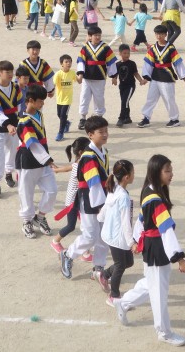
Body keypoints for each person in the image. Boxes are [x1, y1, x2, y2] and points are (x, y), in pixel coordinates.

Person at [116, 154, 185, 347]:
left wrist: (136, 239)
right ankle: (163, 332)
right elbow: (166, 230)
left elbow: (142, 217)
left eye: (171, 170)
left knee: (152, 283)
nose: (171, 174)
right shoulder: (156, 198)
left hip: (153, 246)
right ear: (156, 172)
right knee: (159, 292)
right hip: (157, 248)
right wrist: (180, 259)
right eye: (167, 171)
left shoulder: (150, 190)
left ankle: (123, 303)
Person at [16, 84, 70, 239]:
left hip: (43, 162)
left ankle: (40, 217)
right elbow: (32, 143)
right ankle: (27, 221)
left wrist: (46, 160)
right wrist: (48, 160)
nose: (43, 104)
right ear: (31, 100)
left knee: (52, 190)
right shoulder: (23, 121)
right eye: (40, 101)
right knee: (26, 193)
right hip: (27, 162)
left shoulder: (39, 114)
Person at [60, 115, 111, 281]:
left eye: (106, 131)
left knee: (104, 234)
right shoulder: (88, 156)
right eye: (100, 132)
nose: (104, 134)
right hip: (91, 200)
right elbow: (94, 184)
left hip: (103, 199)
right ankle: (67, 254)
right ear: (90, 134)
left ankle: (99, 267)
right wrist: (102, 205)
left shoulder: (104, 152)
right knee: (90, 236)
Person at [98, 159, 136, 306]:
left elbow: (106, 207)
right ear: (126, 177)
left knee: (129, 262)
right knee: (120, 265)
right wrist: (131, 242)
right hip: (118, 237)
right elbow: (126, 222)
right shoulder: (124, 197)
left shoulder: (114, 189)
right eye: (133, 173)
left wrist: (99, 217)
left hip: (111, 234)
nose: (134, 175)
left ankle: (105, 274)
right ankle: (114, 295)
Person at [138, 25, 185, 129]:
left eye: (161, 34)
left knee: (169, 98)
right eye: (157, 34)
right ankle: (146, 118)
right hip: (155, 76)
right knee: (150, 98)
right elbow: (148, 63)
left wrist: (183, 76)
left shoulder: (170, 48)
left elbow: (177, 62)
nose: (159, 36)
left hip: (167, 76)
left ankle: (174, 119)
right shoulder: (152, 48)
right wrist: (146, 77)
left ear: (165, 35)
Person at [51, 137, 91, 254]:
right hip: (74, 202)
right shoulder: (80, 166)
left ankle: (86, 251)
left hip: (78, 200)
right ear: (81, 152)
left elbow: (69, 167)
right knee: (71, 226)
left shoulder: (77, 163)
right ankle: (55, 241)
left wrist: (57, 170)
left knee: (87, 226)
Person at [0, 60, 21, 198]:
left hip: (14, 124)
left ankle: (9, 173)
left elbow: (20, 105)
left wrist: (20, 121)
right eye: (7, 72)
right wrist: (7, 125)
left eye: (11, 72)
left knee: (13, 150)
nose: (10, 74)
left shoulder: (15, 87)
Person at [75, 26, 117, 130]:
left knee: (99, 98)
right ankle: (83, 118)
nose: (97, 37)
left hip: (100, 77)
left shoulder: (106, 48)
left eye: (99, 35)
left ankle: (99, 117)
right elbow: (81, 61)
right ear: (90, 36)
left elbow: (111, 63)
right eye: (95, 35)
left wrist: (113, 76)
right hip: (87, 78)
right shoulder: (85, 48)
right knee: (84, 97)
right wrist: (80, 74)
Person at [115, 43, 143, 127]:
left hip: (130, 86)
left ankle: (121, 118)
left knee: (124, 101)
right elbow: (115, 74)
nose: (127, 55)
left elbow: (135, 73)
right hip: (122, 86)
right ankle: (127, 118)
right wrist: (114, 79)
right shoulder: (117, 64)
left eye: (128, 53)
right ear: (120, 53)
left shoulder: (132, 63)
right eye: (124, 53)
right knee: (125, 101)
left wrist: (140, 80)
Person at [53, 54, 75, 141]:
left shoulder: (72, 72)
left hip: (68, 99)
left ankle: (60, 133)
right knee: (59, 114)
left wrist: (81, 76)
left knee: (62, 115)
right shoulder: (58, 74)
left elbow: (78, 80)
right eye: (66, 62)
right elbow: (54, 84)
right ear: (61, 64)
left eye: (70, 61)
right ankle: (67, 123)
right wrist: (50, 92)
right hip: (59, 98)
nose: (68, 63)